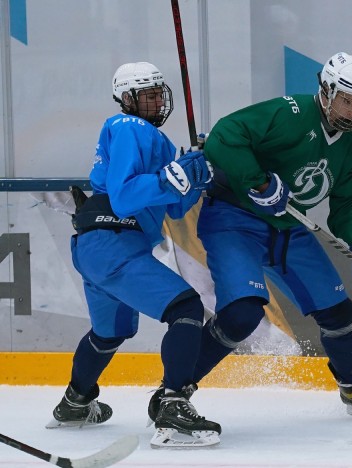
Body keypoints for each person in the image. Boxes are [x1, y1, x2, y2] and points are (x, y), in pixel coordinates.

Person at [148, 51, 352, 421]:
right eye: (347, 100)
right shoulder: (291, 113)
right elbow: (225, 134)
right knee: (242, 313)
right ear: (327, 90)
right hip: (235, 218)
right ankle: (175, 392)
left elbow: (348, 206)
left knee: (338, 312)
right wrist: (258, 182)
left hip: (287, 227)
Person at [48, 62, 221, 448]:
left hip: (99, 248)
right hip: (114, 243)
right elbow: (125, 196)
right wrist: (172, 175)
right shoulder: (129, 127)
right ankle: (174, 406)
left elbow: (173, 209)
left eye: (159, 93)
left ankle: (75, 403)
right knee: (187, 309)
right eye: (148, 95)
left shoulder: (153, 140)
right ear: (127, 100)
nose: (157, 100)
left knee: (111, 332)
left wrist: (195, 176)